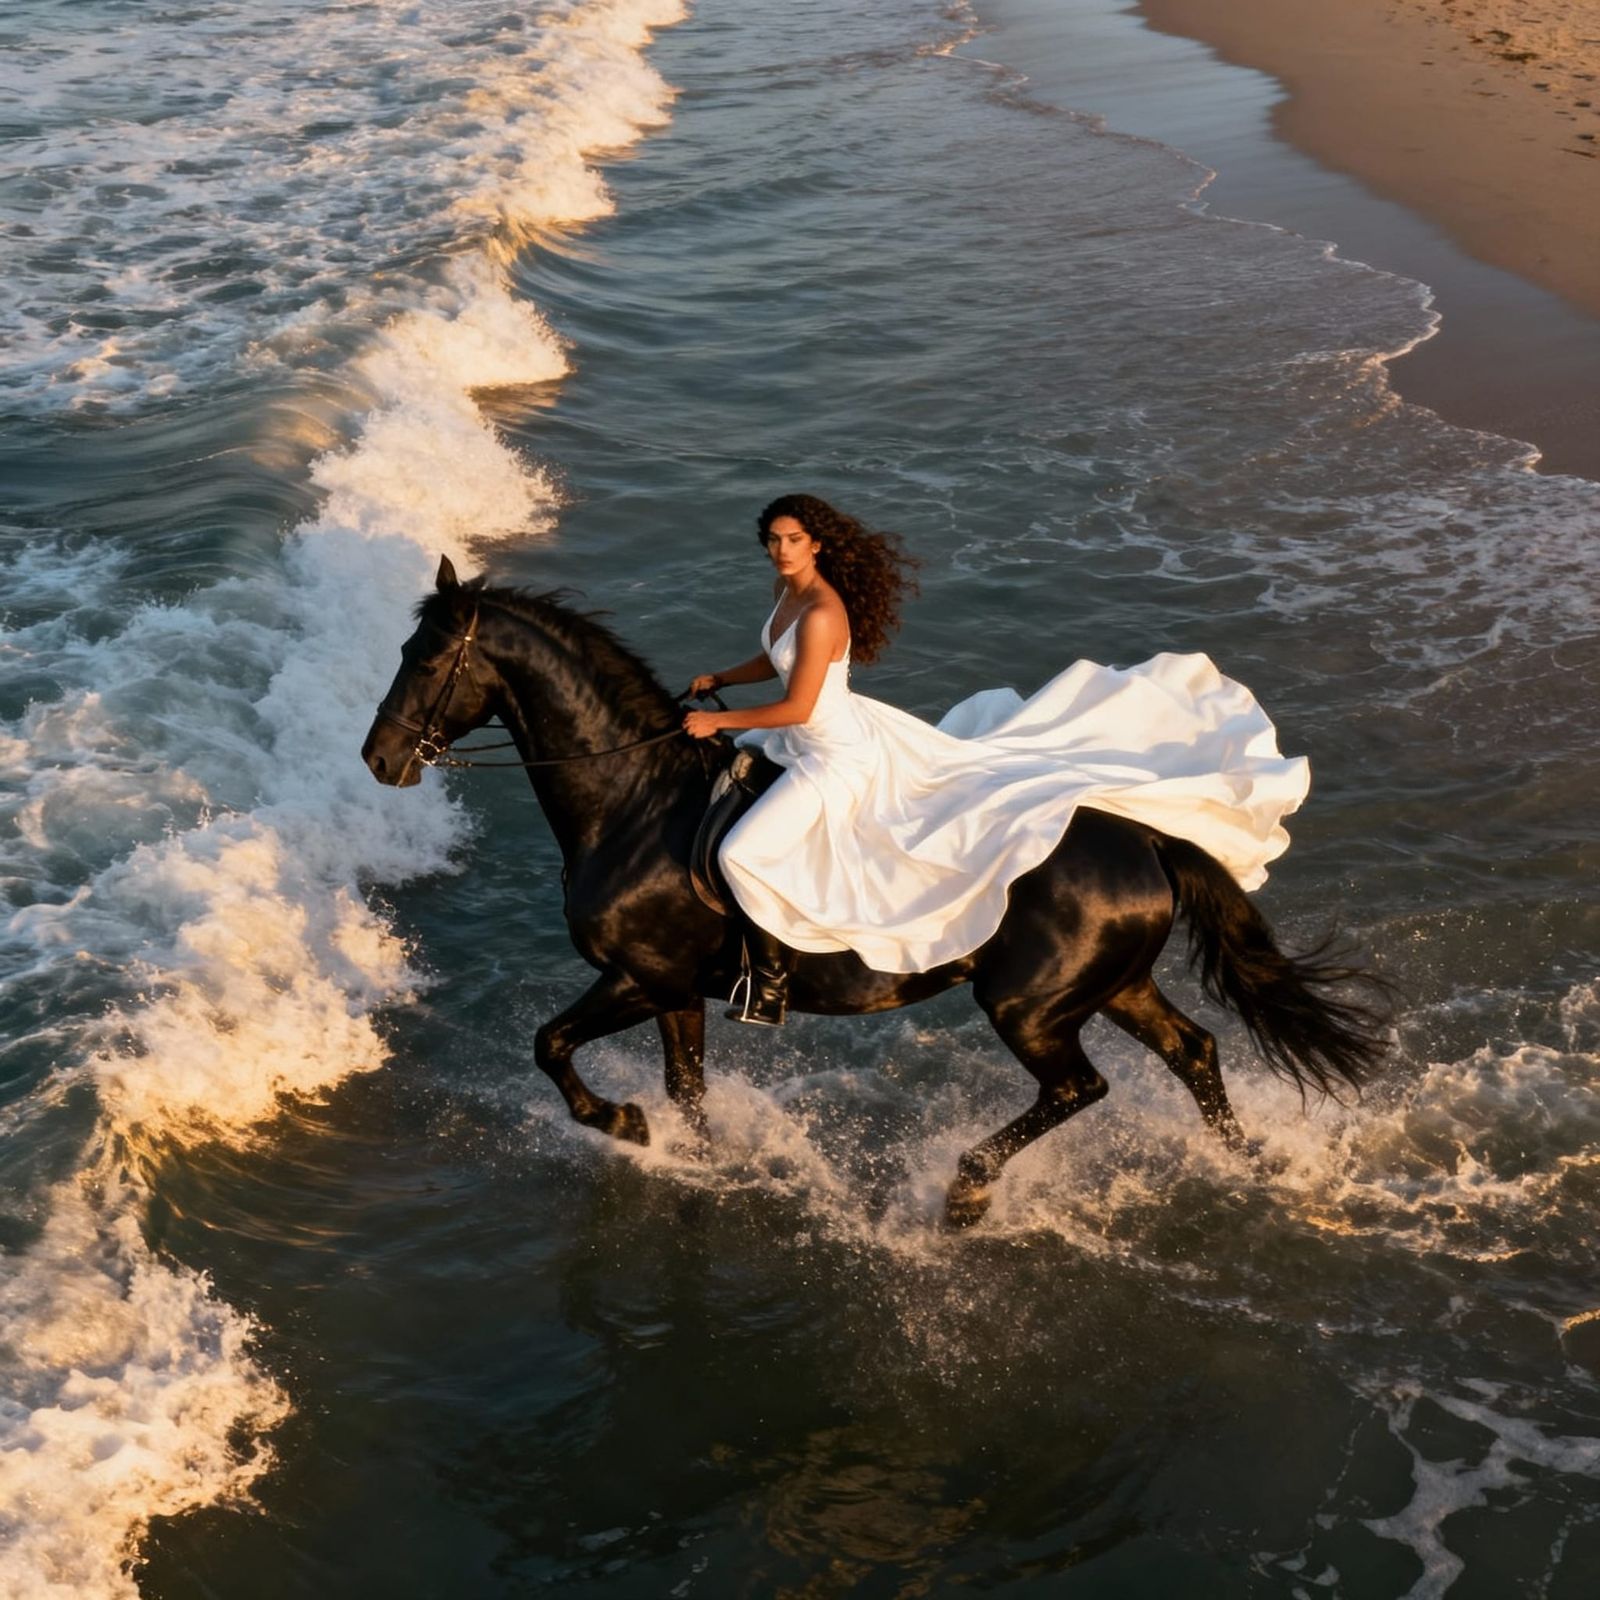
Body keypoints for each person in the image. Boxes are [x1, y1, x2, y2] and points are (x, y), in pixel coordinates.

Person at [684, 494, 1310, 1027]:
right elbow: (780, 658)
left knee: (743, 852)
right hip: (820, 732)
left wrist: (719, 717)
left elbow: (797, 703)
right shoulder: (787, 595)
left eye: (793, 539)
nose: (782, 550)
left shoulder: (822, 610)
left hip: (832, 751)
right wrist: (725, 677)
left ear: (816, 544)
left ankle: (767, 984)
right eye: (772, 540)